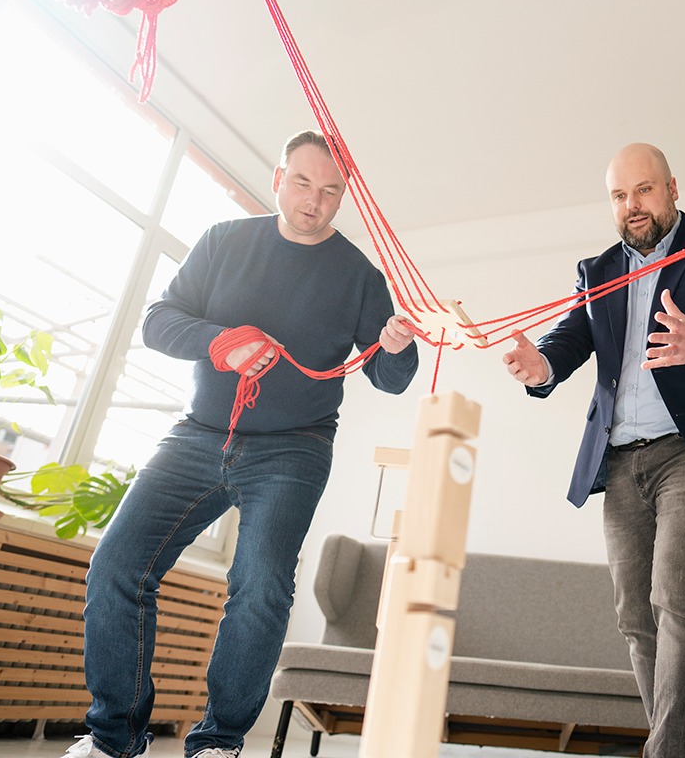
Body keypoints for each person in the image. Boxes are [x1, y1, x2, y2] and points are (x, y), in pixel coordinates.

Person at [65, 131, 420, 758]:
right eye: (304, 182)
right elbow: (157, 322)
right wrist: (221, 341)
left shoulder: (360, 277)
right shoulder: (223, 241)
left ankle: (219, 743)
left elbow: (391, 381)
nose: (315, 201)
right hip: (199, 434)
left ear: (345, 199)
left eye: (332, 192)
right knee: (117, 566)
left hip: (294, 449)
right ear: (280, 175)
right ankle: (114, 739)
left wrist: (397, 347)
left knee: (259, 586)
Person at [503, 142, 685, 758]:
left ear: (672, 188)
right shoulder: (599, 269)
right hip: (620, 459)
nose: (632, 205)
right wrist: (542, 366)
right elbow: (571, 336)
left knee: (679, 601)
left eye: (644, 190)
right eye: (619, 195)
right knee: (637, 617)